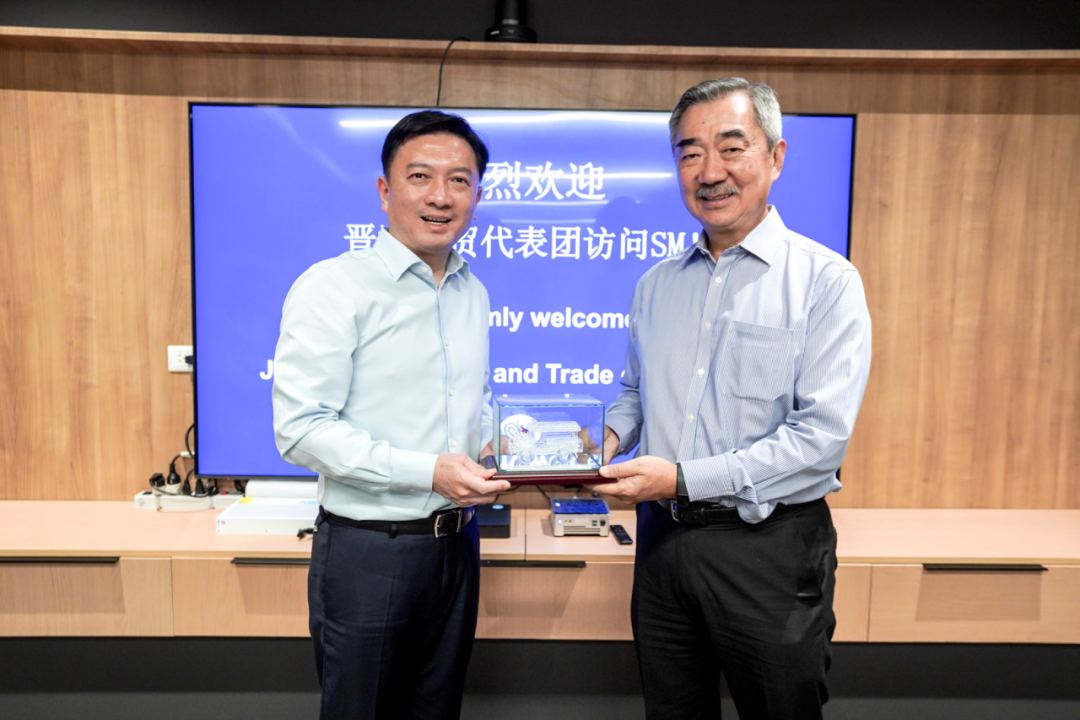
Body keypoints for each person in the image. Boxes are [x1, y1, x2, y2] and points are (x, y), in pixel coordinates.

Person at [595, 78, 872, 719]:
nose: (709, 171)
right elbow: (635, 392)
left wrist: (682, 478)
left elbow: (819, 440)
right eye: (689, 153)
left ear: (775, 156)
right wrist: (602, 440)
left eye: (731, 147)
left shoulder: (826, 282)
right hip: (662, 545)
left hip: (769, 549)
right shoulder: (655, 284)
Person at [272, 110, 511, 720]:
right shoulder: (334, 287)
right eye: (420, 176)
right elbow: (302, 430)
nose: (441, 196)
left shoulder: (472, 289)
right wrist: (428, 471)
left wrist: (504, 446)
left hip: (457, 548)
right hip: (369, 555)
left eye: (460, 180)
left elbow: (474, 401)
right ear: (385, 190)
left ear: (477, 194)